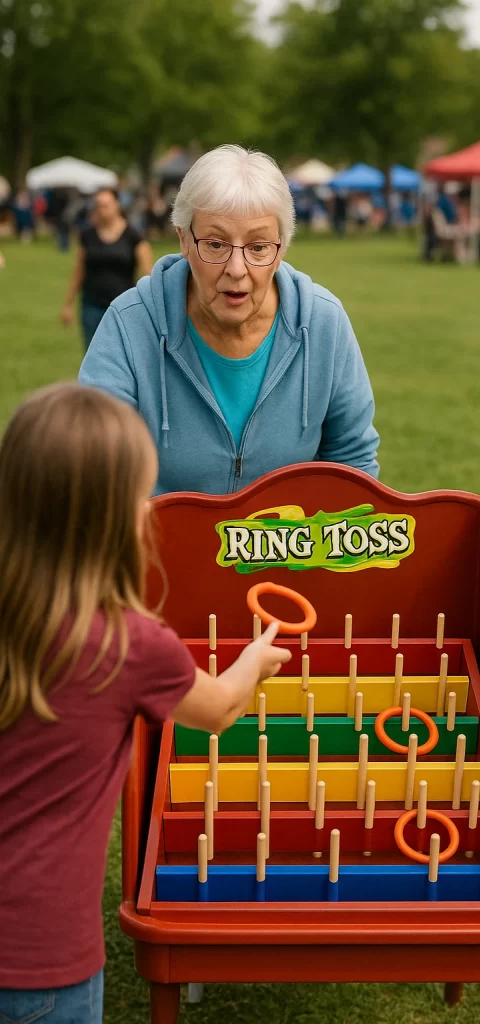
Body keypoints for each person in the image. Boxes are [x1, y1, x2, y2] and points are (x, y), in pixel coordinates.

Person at [0, 383, 291, 1023]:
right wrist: (254, 658)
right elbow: (218, 710)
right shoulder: (130, 645)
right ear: (116, 518)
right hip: (42, 962)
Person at [79, 145, 379, 496]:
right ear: (184, 241)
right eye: (216, 244)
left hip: (289, 548)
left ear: (281, 249)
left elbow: (353, 460)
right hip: (161, 544)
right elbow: (96, 468)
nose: (237, 270)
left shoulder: (324, 322)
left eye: (258, 247)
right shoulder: (129, 324)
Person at [61, 188, 153, 350]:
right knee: (93, 354)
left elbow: (147, 273)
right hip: (92, 305)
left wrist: (150, 305)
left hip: (123, 306)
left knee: (121, 354)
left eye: (106, 205)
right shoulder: (87, 235)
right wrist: (68, 303)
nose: (102, 210)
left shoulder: (133, 235)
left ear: (117, 205)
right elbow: (79, 270)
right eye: (99, 205)